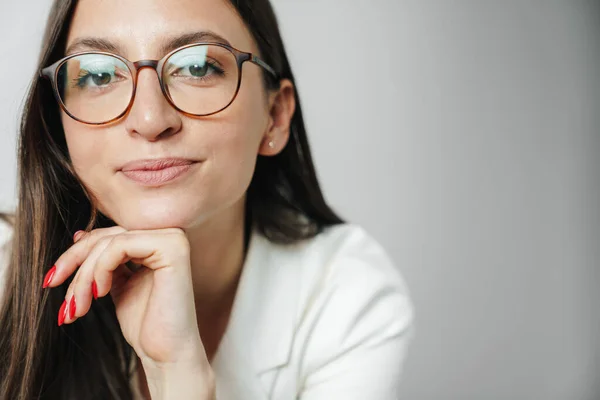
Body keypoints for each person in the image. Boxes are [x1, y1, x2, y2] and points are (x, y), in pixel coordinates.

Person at [0, 0, 415, 398]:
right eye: (98, 75)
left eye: (196, 66)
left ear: (275, 116)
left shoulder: (345, 294)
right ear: (58, 122)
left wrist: (177, 375)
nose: (150, 120)